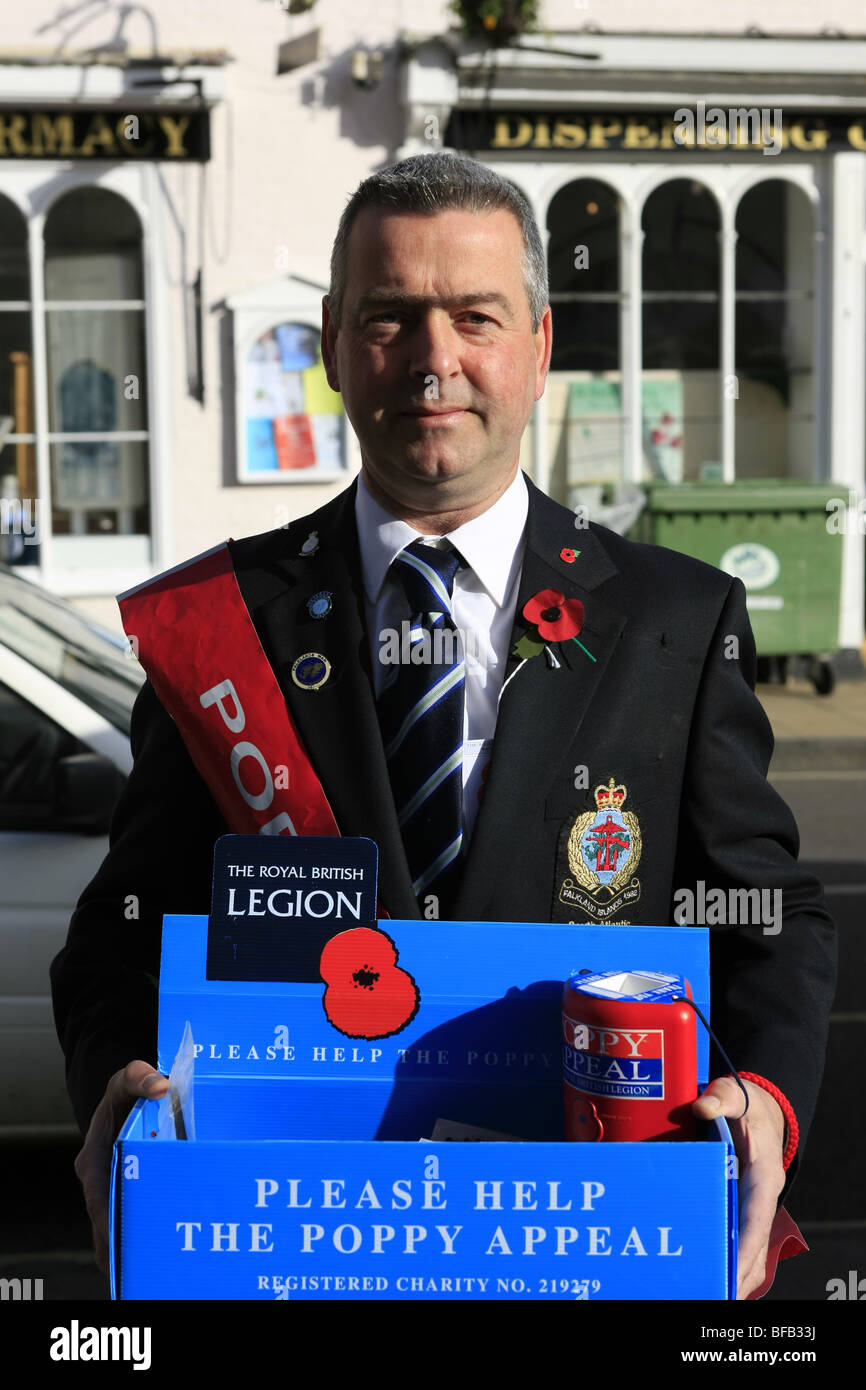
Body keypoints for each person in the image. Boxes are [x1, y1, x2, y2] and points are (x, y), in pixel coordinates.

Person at [51, 152, 836, 1300]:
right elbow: (122, 932)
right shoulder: (219, 626)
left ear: (537, 346)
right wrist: (116, 1099)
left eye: (474, 316)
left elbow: (767, 915)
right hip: (301, 1248)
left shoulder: (674, 617)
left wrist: (762, 1100)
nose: (432, 361)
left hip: (581, 1244)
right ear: (331, 344)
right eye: (389, 319)